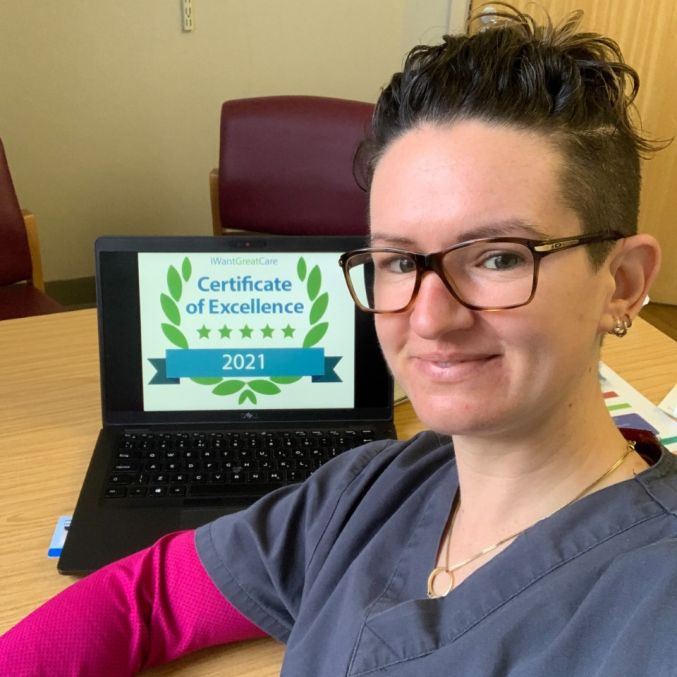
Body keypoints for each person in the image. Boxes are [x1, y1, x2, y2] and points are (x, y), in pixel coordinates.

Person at [1, 4, 673, 675]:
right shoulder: (368, 493)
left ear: (621, 283)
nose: (429, 318)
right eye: (400, 261)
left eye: (498, 257)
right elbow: (150, 596)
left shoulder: (652, 607)